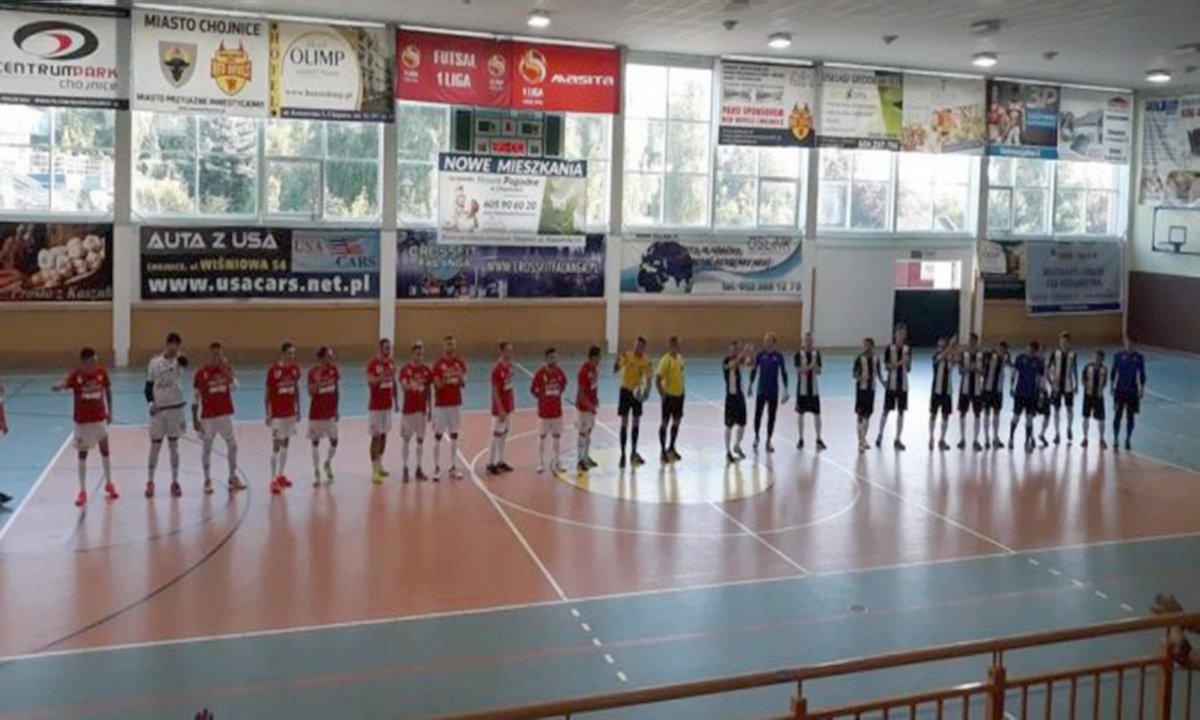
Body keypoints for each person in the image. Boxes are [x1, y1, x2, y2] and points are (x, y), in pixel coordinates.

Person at [52, 348, 117, 507]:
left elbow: (108, 391)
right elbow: (65, 382)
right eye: (91, 361)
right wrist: (59, 386)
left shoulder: (101, 373)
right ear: (84, 362)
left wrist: (110, 412)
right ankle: (82, 491)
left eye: (95, 360)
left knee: (105, 450)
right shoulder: (76, 375)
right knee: (82, 454)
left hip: (99, 419)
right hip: (83, 421)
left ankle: (109, 483)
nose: (94, 363)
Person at [191, 342, 241, 495]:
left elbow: (235, 387)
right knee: (207, 448)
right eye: (214, 354)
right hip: (208, 417)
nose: (216, 357)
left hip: (224, 414)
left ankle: (232, 477)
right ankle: (207, 480)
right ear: (209, 355)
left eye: (219, 354)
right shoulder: (201, 373)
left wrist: (225, 371)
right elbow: (194, 398)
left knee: (233, 445)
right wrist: (194, 419)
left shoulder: (226, 370)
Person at [145, 332, 188, 499]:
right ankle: (150, 481)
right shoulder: (154, 362)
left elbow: (185, 363)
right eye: (172, 344)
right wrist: (150, 403)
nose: (174, 347)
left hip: (175, 409)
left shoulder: (179, 361)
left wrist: (179, 356)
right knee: (155, 447)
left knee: (174, 447)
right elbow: (148, 386)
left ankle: (175, 481)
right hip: (159, 410)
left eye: (177, 345)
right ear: (167, 344)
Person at [265, 342, 301, 494]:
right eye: (289, 353)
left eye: (293, 353)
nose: (292, 356)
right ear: (283, 353)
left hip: (290, 414)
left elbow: (296, 389)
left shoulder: (295, 369)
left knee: (286, 443)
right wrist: (268, 413)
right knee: (276, 445)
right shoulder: (273, 370)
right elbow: (267, 393)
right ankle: (273, 480)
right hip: (278, 415)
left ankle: (280, 476)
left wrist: (298, 409)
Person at [431, 335, 467, 480]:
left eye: (452, 344)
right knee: (438, 436)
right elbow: (437, 386)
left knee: (454, 435)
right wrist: (446, 378)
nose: (450, 347)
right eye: (448, 344)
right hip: (441, 405)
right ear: (444, 346)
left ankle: (453, 467)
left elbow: (463, 383)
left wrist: (460, 377)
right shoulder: (438, 365)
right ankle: (436, 468)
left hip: (455, 403)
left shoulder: (460, 363)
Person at [614, 336, 653, 468]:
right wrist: (617, 362)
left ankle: (633, 452)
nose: (637, 348)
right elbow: (616, 369)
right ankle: (622, 454)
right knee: (624, 423)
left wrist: (646, 393)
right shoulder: (627, 356)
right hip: (625, 391)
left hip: (637, 394)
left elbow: (649, 379)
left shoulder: (646, 361)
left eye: (640, 346)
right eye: (636, 345)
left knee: (636, 422)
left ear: (644, 348)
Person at [398, 341, 432, 482]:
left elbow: (429, 390)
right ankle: (405, 468)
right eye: (418, 354)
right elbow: (404, 386)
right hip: (408, 410)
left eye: (422, 354)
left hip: (421, 410)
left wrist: (430, 408)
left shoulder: (426, 370)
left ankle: (419, 468)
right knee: (406, 439)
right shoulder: (405, 370)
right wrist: (414, 386)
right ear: (412, 354)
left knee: (420, 440)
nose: (420, 356)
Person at [531, 348, 569, 474]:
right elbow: (533, 389)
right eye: (551, 358)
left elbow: (564, 384)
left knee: (557, 437)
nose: (553, 360)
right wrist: (542, 398)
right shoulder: (540, 374)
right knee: (542, 437)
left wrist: (556, 394)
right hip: (544, 413)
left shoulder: (560, 372)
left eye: (555, 357)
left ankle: (558, 461)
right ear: (546, 359)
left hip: (557, 412)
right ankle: (540, 462)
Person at [749, 333, 788, 453]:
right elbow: (754, 370)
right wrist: (750, 385)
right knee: (758, 415)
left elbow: (784, 372)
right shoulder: (760, 355)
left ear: (773, 342)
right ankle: (756, 437)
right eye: (765, 340)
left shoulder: (778, 356)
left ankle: (769, 440)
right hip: (761, 390)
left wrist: (786, 389)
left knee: (772, 417)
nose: (767, 342)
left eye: (769, 341)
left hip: (773, 391)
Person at [367, 339, 399, 484]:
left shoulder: (391, 363)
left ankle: (380, 465)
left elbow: (393, 383)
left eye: (389, 348)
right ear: (380, 349)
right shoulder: (373, 364)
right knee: (376, 437)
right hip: (376, 407)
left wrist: (396, 402)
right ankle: (374, 470)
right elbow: (370, 382)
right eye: (386, 348)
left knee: (384, 435)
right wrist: (381, 376)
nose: (388, 350)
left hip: (388, 406)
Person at [307, 346, 340, 486]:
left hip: (330, 414)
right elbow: (311, 392)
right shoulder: (313, 372)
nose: (331, 357)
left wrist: (336, 409)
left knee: (334, 441)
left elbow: (336, 390)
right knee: (315, 443)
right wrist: (318, 380)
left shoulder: (334, 370)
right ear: (322, 357)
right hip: (316, 414)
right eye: (329, 355)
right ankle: (316, 471)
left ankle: (327, 463)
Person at [876, 325, 911, 450]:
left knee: (901, 412)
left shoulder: (907, 349)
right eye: (899, 333)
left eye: (903, 333)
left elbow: (909, 369)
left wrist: (907, 363)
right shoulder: (889, 349)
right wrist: (900, 363)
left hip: (903, 385)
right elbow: (887, 367)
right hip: (891, 385)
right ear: (894, 334)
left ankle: (897, 439)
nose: (901, 335)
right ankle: (880, 435)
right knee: (886, 410)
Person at [1110, 339, 1146, 452]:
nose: (1129, 346)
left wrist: (1142, 389)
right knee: (1117, 415)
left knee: (1130, 417)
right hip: (1119, 391)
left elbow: (1142, 374)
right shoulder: (1118, 356)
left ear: (1135, 345)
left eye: (1132, 344)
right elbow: (1113, 371)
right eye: (1127, 343)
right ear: (1125, 344)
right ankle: (1116, 438)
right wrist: (1111, 386)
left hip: (1132, 392)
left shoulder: (1139, 358)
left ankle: (1128, 439)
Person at [1009, 341, 1045, 452]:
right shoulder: (1020, 359)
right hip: (1020, 393)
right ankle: (1011, 438)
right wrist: (1011, 387)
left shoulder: (1038, 363)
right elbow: (1014, 373)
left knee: (1029, 419)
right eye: (1029, 349)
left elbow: (1040, 380)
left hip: (1031, 395)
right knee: (1016, 417)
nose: (1030, 351)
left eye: (1033, 350)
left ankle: (1027, 441)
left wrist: (1040, 395)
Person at [656, 336, 686, 464]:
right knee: (665, 423)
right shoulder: (665, 361)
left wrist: (682, 392)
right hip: (669, 396)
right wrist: (662, 395)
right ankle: (663, 451)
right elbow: (658, 380)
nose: (679, 346)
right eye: (677, 344)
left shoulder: (679, 358)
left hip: (679, 396)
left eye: (679, 344)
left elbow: (681, 374)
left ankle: (672, 448)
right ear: (672, 345)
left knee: (676, 422)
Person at [487, 342, 515, 476]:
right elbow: (495, 390)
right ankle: (490, 463)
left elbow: (509, 387)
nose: (510, 353)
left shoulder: (510, 367)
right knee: (496, 435)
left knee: (504, 434)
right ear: (502, 352)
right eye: (508, 351)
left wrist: (510, 405)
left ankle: (500, 460)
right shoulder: (497, 370)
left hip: (508, 406)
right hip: (500, 409)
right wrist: (500, 409)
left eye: (511, 351)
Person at [794, 333, 825, 451]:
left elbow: (819, 371)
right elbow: (799, 370)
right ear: (803, 341)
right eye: (806, 340)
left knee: (817, 414)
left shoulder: (816, 354)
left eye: (810, 340)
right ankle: (801, 439)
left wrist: (815, 367)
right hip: (802, 389)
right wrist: (810, 366)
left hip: (814, 390)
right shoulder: (799, 354)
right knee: (800, 414)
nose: (808, 342)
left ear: (812, 341)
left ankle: (818, 438)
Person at [1047, 332, 1079, 445]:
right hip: (1056, 386)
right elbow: (1048, 368)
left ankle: (1069, 428)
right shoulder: (1055, 353)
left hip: (1068, 386)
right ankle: (1057, 433)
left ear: (1069, 342)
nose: (1063, 343)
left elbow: (1075, 370)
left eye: (1065, 341)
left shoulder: (1073, 354)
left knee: (1069, 408)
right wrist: (1051, 382)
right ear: (1059, 342)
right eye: (1062, 341)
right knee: (1056, 410)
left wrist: (1076, 385)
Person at [723, 339, 752, 463]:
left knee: (742, 424)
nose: (735, 350)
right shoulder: (726, 361)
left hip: (740, 396)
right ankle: (728, 451)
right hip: (731, 397)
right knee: (729, 425)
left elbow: (749, 364)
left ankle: (737, 445)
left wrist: (750, 354)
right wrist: (744, 352)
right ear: (730, 349)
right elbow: (732, 365)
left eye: (737, 348)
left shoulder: (739, 359)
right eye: (733, 348)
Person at [957, 333, 986, 452]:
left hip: (977, 389)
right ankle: (962, 439)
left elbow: (984, 372)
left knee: (977, 414)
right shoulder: (964, 354)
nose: (971, 343)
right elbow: (960, 371)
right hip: (965, 388)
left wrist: (977, 369)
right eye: (970, 341)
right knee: (962, 413)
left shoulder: (981, 355)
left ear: (976, 342)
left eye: (973, 341)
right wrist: (969, 368)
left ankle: (975, 440)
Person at [575, 345, 602, 473]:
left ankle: (586, 457)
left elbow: (593, 387)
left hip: (591, 407)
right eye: (598, 357)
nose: (600, 359)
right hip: (583, 408)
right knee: (582, 433)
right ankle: (580, 460)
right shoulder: (583, 371)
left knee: (589, 432)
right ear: (593, 357)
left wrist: (596, 400)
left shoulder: (595, 370)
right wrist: (589, 406)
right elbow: (581, 394)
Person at [853, 338, 882, 453]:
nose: (866, 347)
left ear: (872, 346)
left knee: (867, 416)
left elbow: (878, 373)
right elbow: (854, 374)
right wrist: (861, 378)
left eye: (868, 345)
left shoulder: (876, 358)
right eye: (865, 345)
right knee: (860, 416)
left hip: (871, 390)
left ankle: (863, 439)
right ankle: (860, 442)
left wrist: (884, 383)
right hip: (861, 390)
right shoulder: (859, 358)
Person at [981, 340, 1011, 449]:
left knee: (997, 414)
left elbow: (1010, 365)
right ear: (998, 347)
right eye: (1002, 348)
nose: (1003, 351)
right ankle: (986, 438)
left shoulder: (1006, 357)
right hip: (987, 389)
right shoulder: (989, 355)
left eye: (1005, 349)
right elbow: (982, 367)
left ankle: (995, 437)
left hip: (998, 390)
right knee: (986, 413)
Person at [928, 337, 955, 451]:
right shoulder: (935, 357)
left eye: (943, 346)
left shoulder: (949, 358)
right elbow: (940, 358)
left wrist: (953, 350)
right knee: (933, 414)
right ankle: (931, 437)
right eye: (939, 346)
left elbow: (956, 361)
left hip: (947, 391)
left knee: (945, 415)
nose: (941, 348)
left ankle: (942, 439)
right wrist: (949, 347)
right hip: (936, 391)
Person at [1079, 350, 1108, 450]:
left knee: (1101, 419)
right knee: (1086, 417)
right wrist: (1086, 385)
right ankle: (1085, 438)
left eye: (1099, 358)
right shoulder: (1087, 367)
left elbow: (1104, 383)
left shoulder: (1104, 370)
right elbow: (1082, 380)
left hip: (1099, 397)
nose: (1097, 360)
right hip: (1088, 396)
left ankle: (1101, 439)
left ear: (1102, 360)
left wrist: (1100, 391)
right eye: (1095, 357)